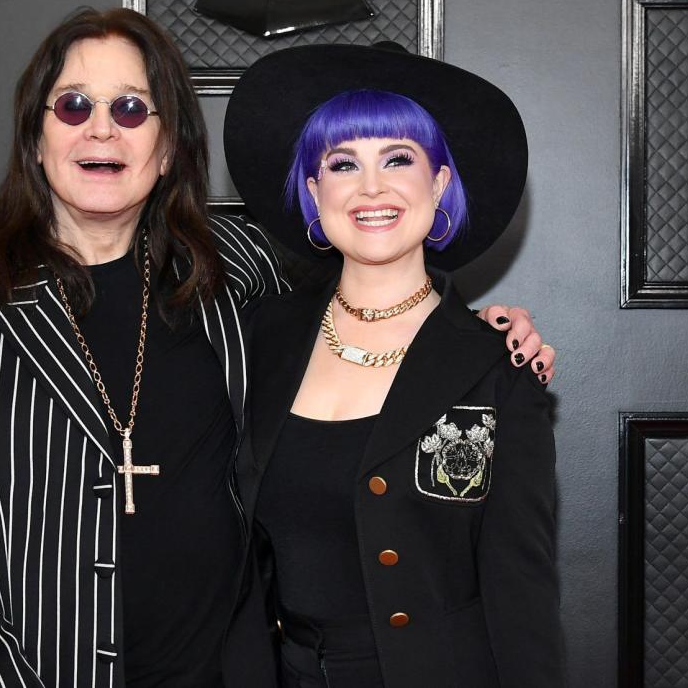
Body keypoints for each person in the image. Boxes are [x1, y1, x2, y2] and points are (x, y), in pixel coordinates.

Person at [0, 8, 553, 688]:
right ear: (35, 136)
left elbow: (375, 262)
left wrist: (481, 332)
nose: (102, 127)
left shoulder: (231, 270)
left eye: (132, 108)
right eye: (74, 104)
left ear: (168, 145)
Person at [226, 44, 564, 687]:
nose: (371, 187)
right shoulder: (254, 340)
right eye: (343, 163)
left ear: (439, 184)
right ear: (312, 190)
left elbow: (523, 594)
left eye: (399, 159)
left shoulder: (499, 367)